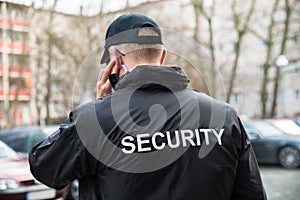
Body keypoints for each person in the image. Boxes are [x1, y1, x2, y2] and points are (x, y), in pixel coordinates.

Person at [29, 13, 267, 200]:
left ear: (117, 61)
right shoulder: (224, 116)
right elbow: (252, 193)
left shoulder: (95, 120)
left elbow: (45, 168)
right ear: (161, 57)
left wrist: (97, 108)